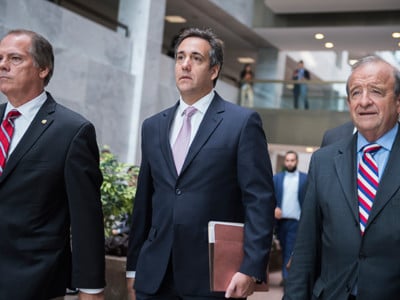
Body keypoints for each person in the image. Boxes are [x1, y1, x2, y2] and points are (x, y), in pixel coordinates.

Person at [126, 27, 276, 300]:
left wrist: (251, 267)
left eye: (196, 58)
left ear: (214, 69)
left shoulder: (242, 123)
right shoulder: (152, 126)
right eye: (180, 57)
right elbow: (145, 201)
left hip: (212, 276)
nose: (185, 64)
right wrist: (133, 268)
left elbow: (259, 200)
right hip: (154, 275)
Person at [284, 55, 400, 300]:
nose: (364, 101)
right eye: (356, 93)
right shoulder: (323, 161)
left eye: (376, 91)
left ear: (398, 101)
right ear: (348, 103)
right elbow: (306, 249)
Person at [0, 29, 105, 299]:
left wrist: (90, 289)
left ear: (43, 68)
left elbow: (86, 220)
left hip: (32, 283)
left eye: (15, 58)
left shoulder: (72, 131)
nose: (3, 65)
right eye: (0, 58)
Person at [273, 151, 307, 286]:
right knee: (283, 248)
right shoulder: (277, 178)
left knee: (290, 249)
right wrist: (274, 207)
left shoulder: (305, 178)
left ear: (296, 162)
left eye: (292, 160)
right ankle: (286, 275)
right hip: (281, 222)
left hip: (296, 221)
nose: (289, 163)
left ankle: (287, 278)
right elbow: (270, 197)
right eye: (287, 160)